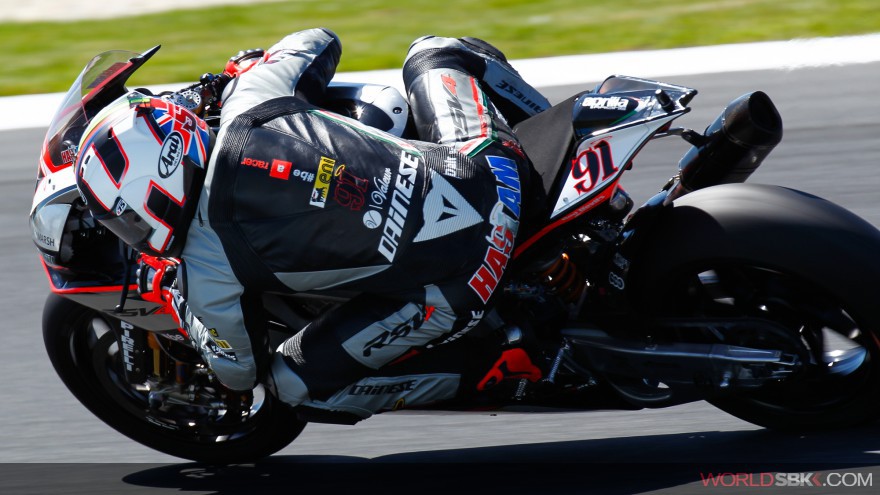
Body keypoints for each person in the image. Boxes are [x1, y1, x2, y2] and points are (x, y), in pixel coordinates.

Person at [74, 27, 551, 422]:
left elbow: (237, 372)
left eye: (129, 220)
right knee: (435, 51)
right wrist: (233, 77)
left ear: (158, 196)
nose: (132, 233)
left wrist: (182, 306)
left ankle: (491, 367)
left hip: (464, 283)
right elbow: (318, 39)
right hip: (493, 171)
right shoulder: (253, 99)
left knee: (289, 385)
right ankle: (555, 137)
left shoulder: (205, 269)